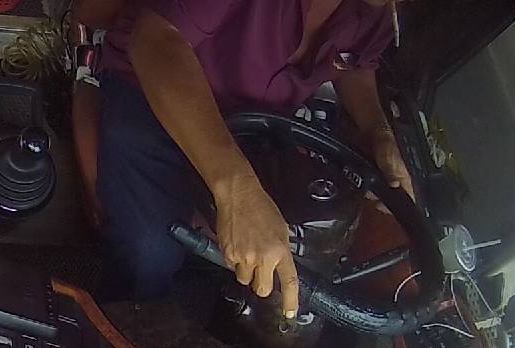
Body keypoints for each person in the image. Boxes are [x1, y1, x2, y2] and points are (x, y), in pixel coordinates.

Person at [72, 0, 415, 318]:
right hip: (154, 89)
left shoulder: (376, 11)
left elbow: (355, 64)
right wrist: (238, 191)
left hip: (253, 125)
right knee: (151, 252)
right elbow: (155, 39)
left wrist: (377, 130)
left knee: (294, 256)